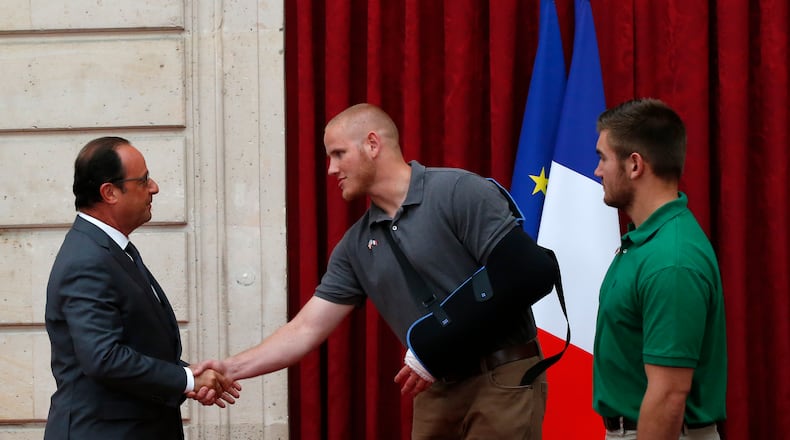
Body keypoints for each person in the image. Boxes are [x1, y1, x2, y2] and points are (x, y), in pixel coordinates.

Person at [194, 103, 558, 439]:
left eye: (338, 154)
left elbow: (524, 273)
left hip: (503, 376)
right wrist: (231, 368)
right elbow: (304, 329)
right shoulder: (354, 247)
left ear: (372, 144)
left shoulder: (458, 191)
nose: (331, 169)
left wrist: (433, 346)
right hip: (437, 389)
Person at [44, 137, 240, 439]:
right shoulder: (87, 259)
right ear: (109, 192)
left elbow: (137, 346)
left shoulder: (111, 249)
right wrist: (187, 379)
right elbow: (103, 357)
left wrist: (189, 375)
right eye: (143, 179)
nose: (154, 187)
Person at [592, 98, 726, 440]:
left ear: (635, 165)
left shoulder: (672, 260)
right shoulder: (647, 243)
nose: (598, 171)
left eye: (603, 158)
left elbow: (668, 397)